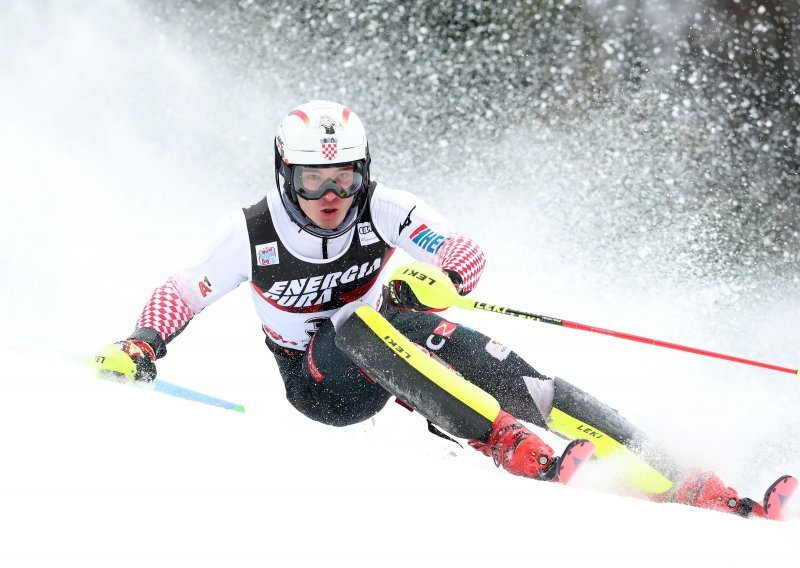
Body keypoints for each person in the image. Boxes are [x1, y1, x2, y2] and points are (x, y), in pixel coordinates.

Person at [96, 100, 756, 516]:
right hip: (321, 384)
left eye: (345, 176)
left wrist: (454, 264)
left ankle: (686, 476)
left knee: (501, 365)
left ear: (364, 172)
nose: (331, 195)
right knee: (359, 320)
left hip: (397, 355)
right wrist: (142, 343)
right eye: (312, 180)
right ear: (284, 176)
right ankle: (503, 441)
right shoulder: (255, 232)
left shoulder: (385, 208)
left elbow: (445, 243)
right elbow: (183, 290)